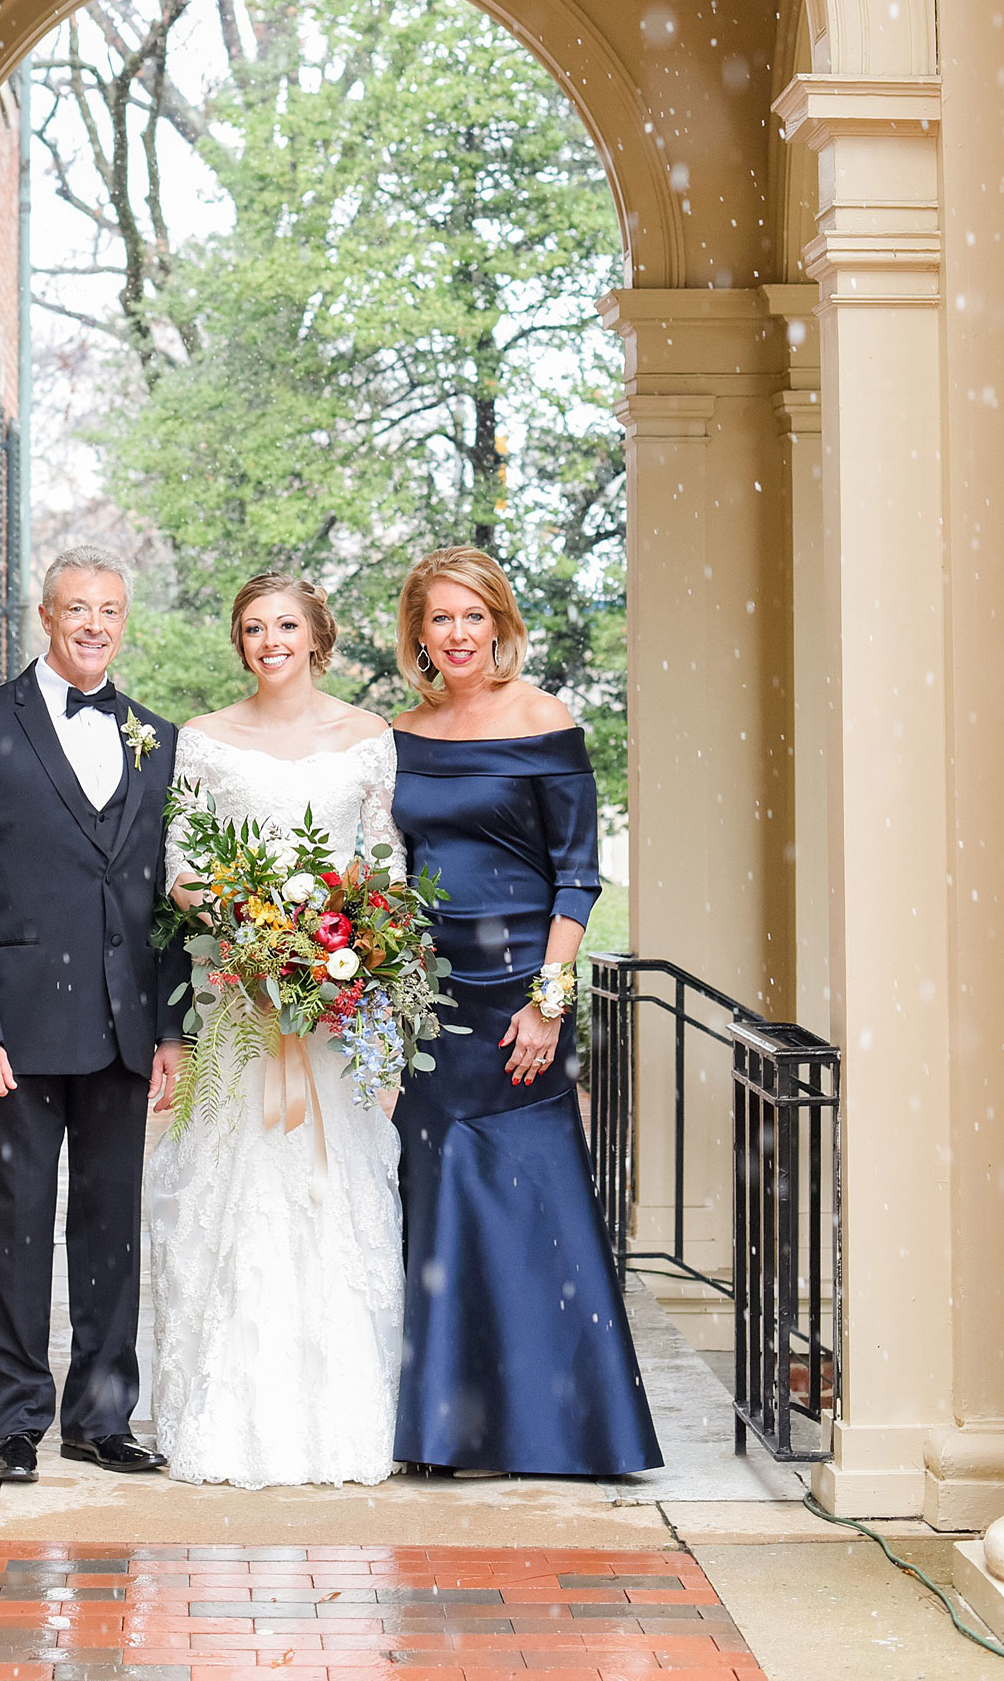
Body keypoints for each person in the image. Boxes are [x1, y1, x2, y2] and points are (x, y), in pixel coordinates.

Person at [0, 543, 188, 1486]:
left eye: (110, 610)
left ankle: (102, 1416)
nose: (94, 626)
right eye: (77, 609)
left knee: (113, 1228)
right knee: (17, 1225)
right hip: (18, 1031)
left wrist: (171, 1028)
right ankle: (16, 1421)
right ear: (45, 615)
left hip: (122, 1027)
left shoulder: (158, 739)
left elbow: (168, 900)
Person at [390, 546, 661, 1478]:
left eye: (473, 617)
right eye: (440, 619)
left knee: (531, 1200)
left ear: (499, 624)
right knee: (436, 1200)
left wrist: (547, 1003)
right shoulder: (401, 733)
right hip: (428, 995)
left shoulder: (546, 721)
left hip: (520, 994)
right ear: (418, 633)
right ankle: (445, 1431)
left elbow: (578, 874)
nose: (457, 635)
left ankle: (566, 1429)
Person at [146, 572, 406, 1487]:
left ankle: (337, 1415)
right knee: (237, 1188)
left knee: (331, 1196)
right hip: (240, 1005)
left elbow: (384, 875)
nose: (270, 641)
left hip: (334, 1013)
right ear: (239, 641)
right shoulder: (206, 742)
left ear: (317, 635)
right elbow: (179, 869)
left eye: (286, 625)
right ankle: (227, 1413)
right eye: (253, 627)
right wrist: (254, 940)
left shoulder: (369, 739)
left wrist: (340, 955)